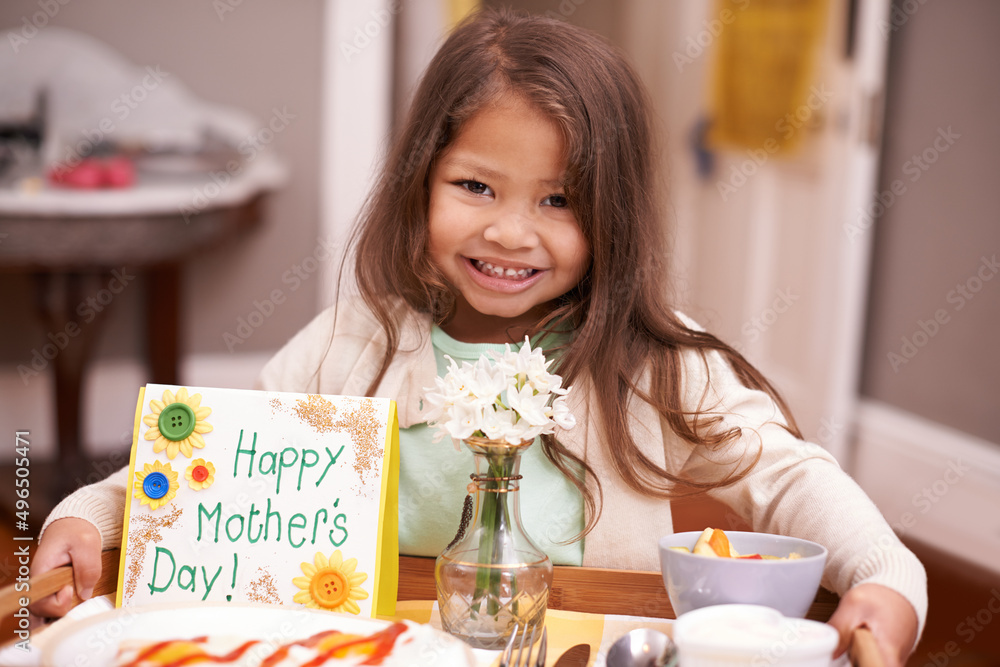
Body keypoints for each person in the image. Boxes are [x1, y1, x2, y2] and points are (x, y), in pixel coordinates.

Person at [31, 8, 925, 665]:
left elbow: (790, 478)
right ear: (422, 179)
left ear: (611, 216)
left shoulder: (650, 362)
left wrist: (884, 578)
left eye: (559, 200)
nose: (510, 232)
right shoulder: (355, 343)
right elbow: (208, 466)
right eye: (476, 186)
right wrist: (87, 513)